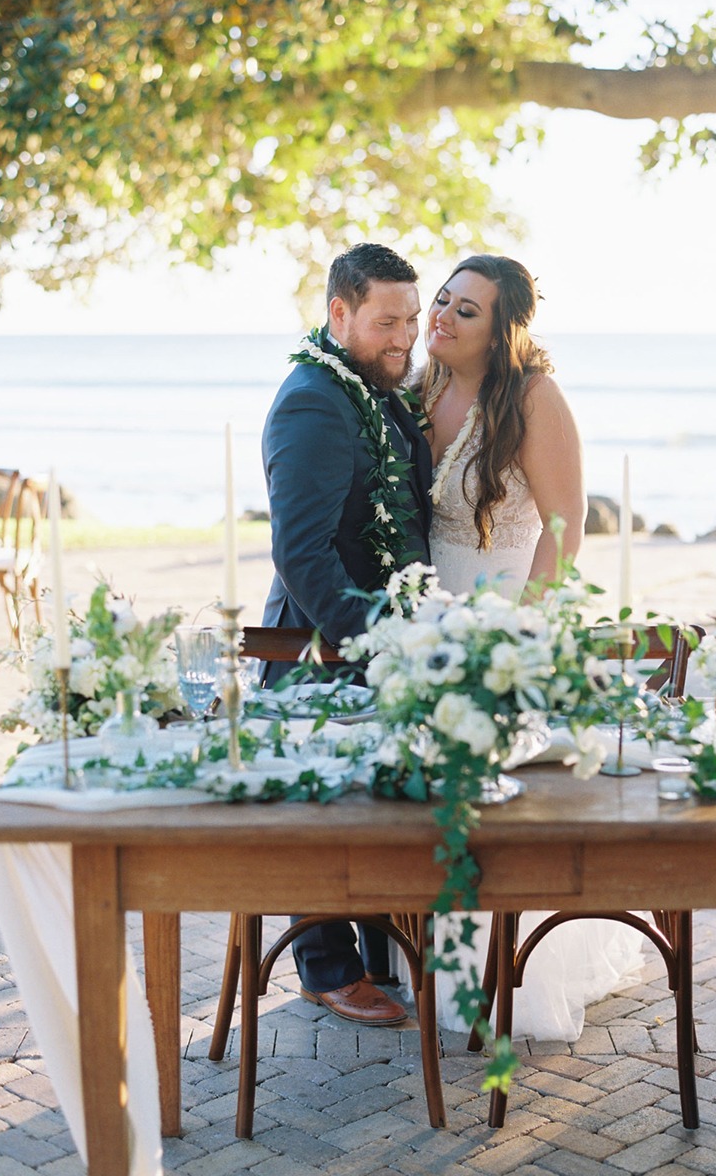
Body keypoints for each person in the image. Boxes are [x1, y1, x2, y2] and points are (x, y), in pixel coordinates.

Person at [420, 254, 645, 1040]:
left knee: (504, 799)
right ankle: (434, 959)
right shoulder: (424, 387)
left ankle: (510, 973)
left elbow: (565, 526)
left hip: (506, 616)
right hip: (425, 623)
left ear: (503, 329)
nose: (441, 315)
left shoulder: (536, 399)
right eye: (442, 300)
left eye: (466, 310)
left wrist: (525, 635)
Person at [261, 242, 433, 1027]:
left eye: (411, 317)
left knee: (372, 805)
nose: (404, 335)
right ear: (339, 314)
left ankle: (377, 949)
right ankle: (326, 969)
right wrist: (371, 641)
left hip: (376, 635)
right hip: (320, 646)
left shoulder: (376, 388)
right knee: (321, 812)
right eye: (386, 320)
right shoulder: (312, 400)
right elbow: (301, 551)